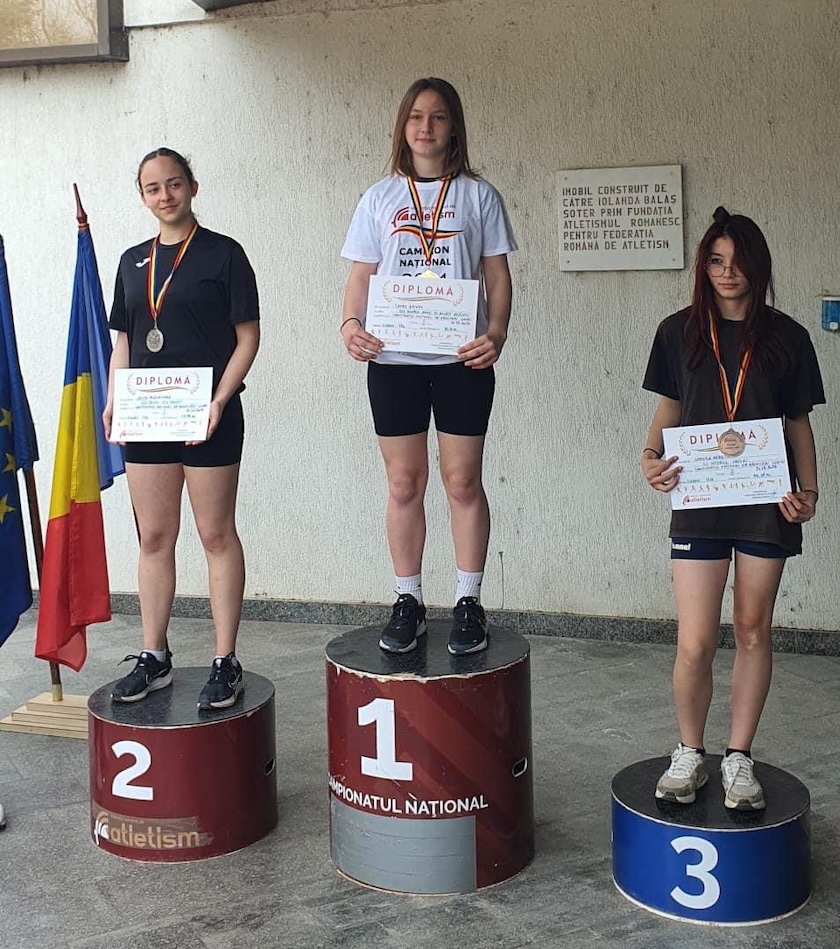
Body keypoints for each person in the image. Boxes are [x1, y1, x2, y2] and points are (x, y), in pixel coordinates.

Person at [641, 207, 824, 809]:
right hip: (700, 501)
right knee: (695, 639)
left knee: (751, 628)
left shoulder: (789, 337)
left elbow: (797, 423)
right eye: (716, 261)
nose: (727, 272)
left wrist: (810, 491)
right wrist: (649, 456)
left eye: (738, 261)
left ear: (758, 267)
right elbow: (670, 406)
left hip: (767, 502)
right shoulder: (678, 331)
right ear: (703, 266)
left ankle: (739, 757)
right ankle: (690, 752)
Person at [340, 78, 516, 656]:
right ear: (403, 126)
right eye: (416, 116)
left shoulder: (479, 196)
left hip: (463, 358)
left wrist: (496, 333)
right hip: (394, 360)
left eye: (438, 117)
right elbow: (361, 276)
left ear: (453, 127)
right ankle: (409, 599)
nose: (426, 127)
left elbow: (496, 275)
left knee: (462, 481)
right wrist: (350, 325)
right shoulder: (378, 197)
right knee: (403, 482)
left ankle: (468, 600)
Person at [104, 148, 260, 709]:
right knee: (153, 538)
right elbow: (125, 339)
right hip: (149, 416)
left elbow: (248, 337)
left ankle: (225, 660)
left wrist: (220, 400)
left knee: (215, 534)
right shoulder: (131, 262)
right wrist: (114, 398)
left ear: (193, 186)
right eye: (153, 188)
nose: (165, 195)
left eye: (174, 183)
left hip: (209, 414)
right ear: (142, 197)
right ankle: (154, 656)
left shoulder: (224, 254)